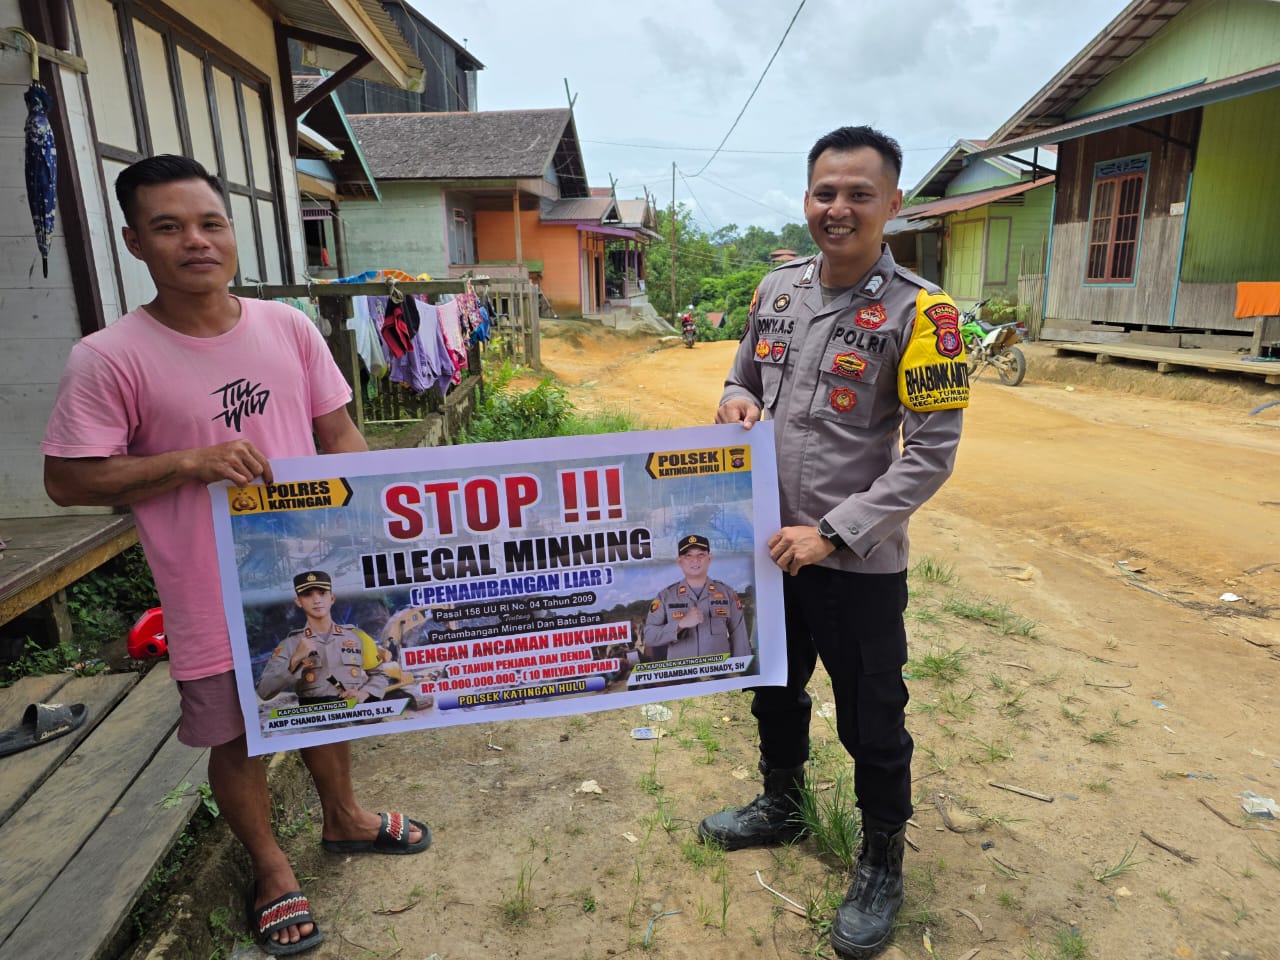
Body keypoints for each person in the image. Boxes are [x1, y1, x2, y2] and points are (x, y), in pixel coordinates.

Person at [41, 155, 428, 957]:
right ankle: (271, 870)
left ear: (232, 232)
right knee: (239, 734)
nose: (195, 241)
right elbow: (67, 479)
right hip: (209, 588)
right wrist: (185, 461)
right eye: (168, 227)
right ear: (133, 242)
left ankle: (346, 821)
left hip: (315, 570)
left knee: (334, 694)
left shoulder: (286, 327)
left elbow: (339, 434)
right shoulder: (111, 356)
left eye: (210, 223)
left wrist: (375, 522)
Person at [696, 126, 968, 960]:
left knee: (874, 720)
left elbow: (930, 455)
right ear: (806, 199)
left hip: (855, 563)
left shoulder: (927, 314)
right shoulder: (774, 292)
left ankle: (881, 858)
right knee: (773, 688)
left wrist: (833, 534)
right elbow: (743, 376)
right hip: (766, 547)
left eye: (858, 194)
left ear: (893, 204)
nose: (837, 209)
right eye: (824, 192)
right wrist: (734, 399)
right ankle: (780, 803)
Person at [257, 571, 391, 706]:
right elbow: (264, 691)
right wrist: (295, 660)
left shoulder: (358, 637)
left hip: (354, 717)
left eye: (322, 593)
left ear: (332, 598)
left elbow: (379, 674)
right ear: (298, 601)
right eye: (308, 595)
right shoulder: (291, 644)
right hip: (314, 721)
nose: (316, 600)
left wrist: (365, 693)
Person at [644, 534, 750, 662]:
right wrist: (680, 624)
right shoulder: (665, 596)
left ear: (709, 558)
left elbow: (740, 638)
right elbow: (649, 635)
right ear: (679, 561)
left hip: (719, 674)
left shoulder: (728, 593)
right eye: (688, 555)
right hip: (682, 676)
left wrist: (742, 671)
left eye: (701, 554)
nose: (695, 560)